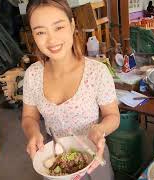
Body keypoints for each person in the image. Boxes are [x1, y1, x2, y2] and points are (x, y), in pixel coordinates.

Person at [21, 0, 120, 179]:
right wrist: (33, 133)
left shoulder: (97, 72)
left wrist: (99, 129)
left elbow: (113, 116)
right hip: (55, 156)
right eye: (41, 32)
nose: (52, 40)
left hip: (93, 154)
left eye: (58, 27)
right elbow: (29, 117)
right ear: (33, 35)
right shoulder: (32, 75)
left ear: (72, 24)